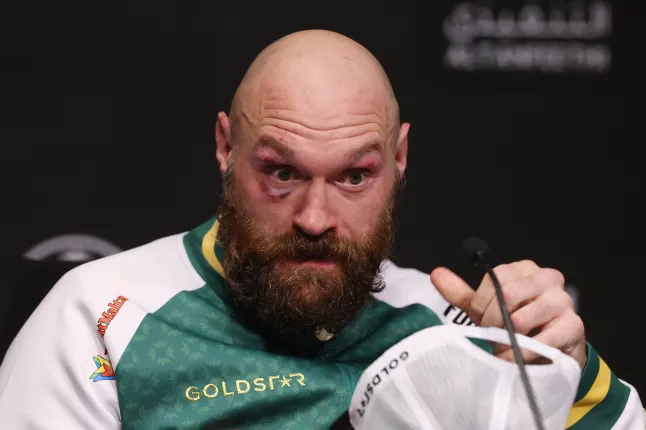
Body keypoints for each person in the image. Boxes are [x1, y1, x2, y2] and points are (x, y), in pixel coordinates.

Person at [0, 30, 642, 429]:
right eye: (281, 173)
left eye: (354, 177)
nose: (314, 218)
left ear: (399, 159)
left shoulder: (458, 328)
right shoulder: (99, 314)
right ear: (226, 148)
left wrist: (567, 375)